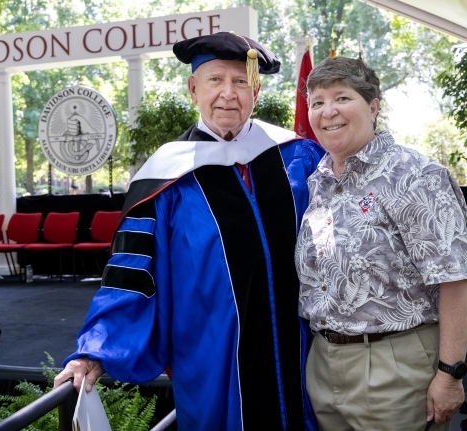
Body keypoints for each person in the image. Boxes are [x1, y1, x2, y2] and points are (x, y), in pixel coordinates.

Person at [54, 32, 325, 431]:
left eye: (240, 82)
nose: (228, 94)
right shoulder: (167, 178)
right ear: (193, 89)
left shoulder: (296, 158)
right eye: (215, 80)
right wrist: (93, 351)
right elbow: (131, 276)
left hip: (301, 354)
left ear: (257, 89)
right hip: (211, 359)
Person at [294, 56, 467, 431]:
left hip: (395, 367)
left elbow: (456, 280)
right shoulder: (318, 181)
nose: (329, 112)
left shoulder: (416, 176)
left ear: (374, 106)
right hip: (324, 364)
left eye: (342, 98)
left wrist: (450, 374)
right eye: (317, 102)